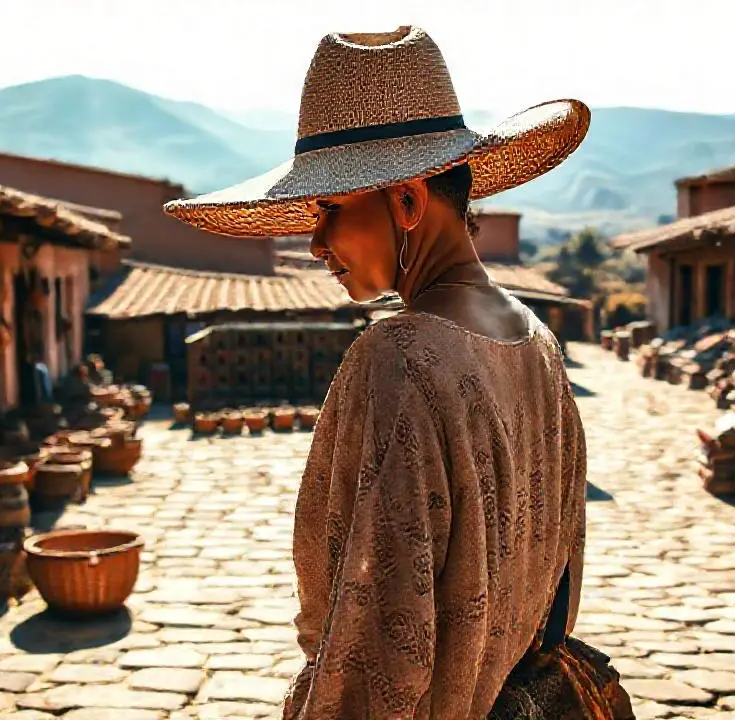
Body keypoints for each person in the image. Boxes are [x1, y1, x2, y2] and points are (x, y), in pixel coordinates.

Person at [165, 26, 633, 719]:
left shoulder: (400, 358)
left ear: (409, 202)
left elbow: (370, 639)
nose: (316, 243)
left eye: (328, 211)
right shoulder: (537, 342)